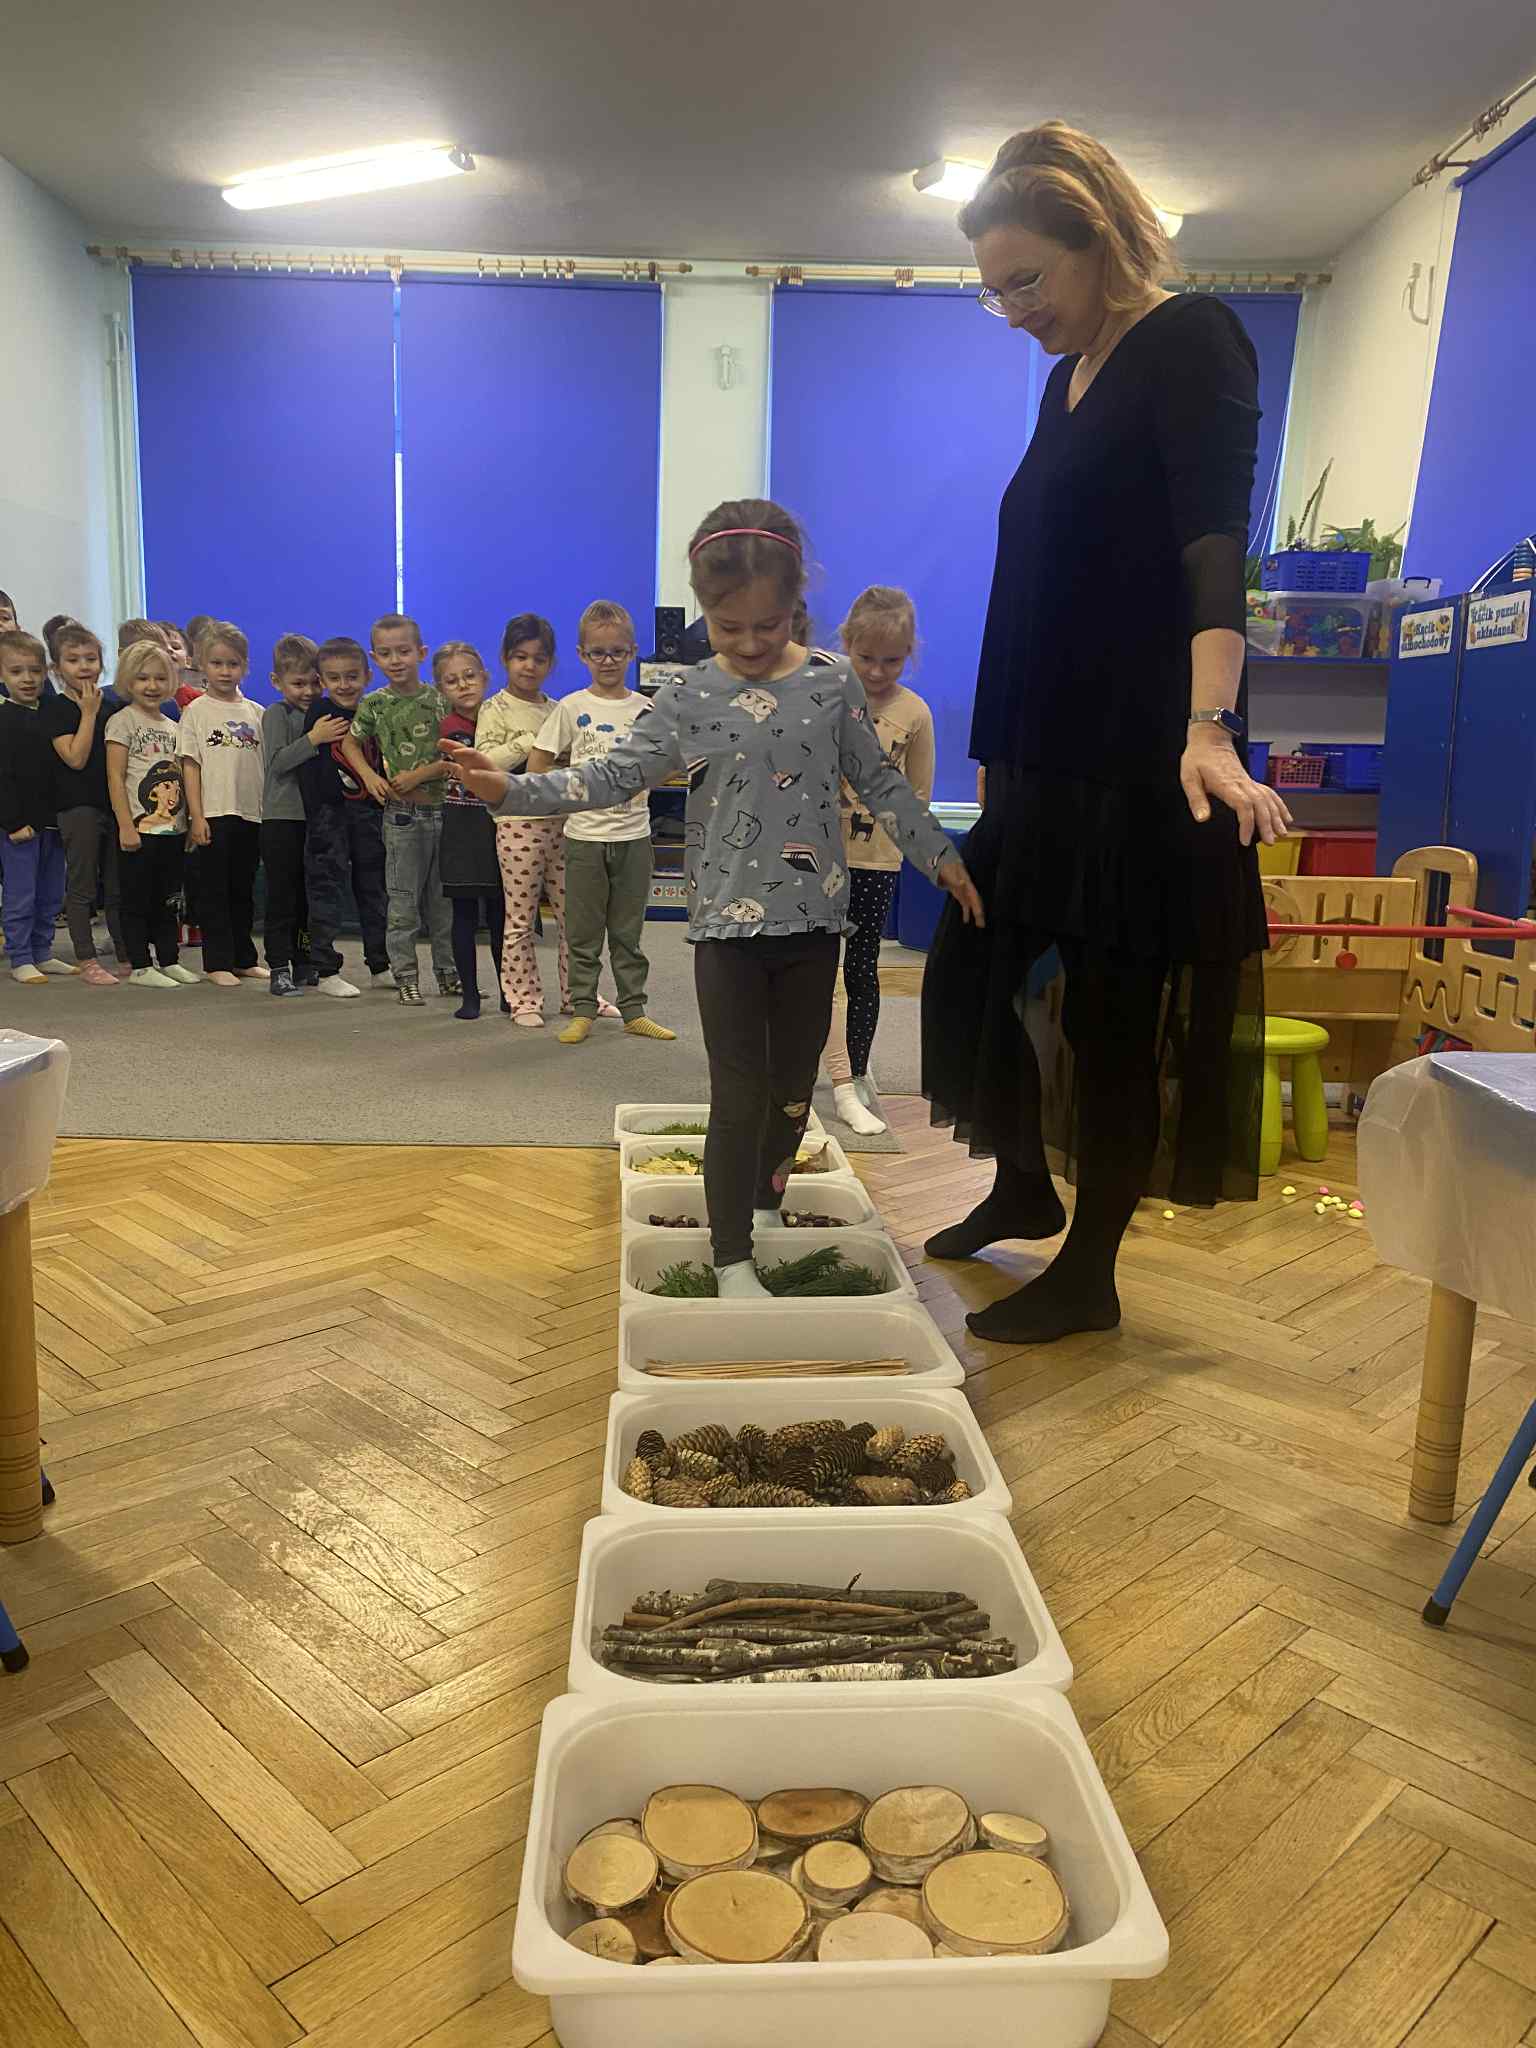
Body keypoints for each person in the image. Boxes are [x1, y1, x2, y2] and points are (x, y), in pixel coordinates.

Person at [920, 121, 1291, 1348]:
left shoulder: (1192, 340)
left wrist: (1211, 724)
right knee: (970, 967)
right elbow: (1037, 574)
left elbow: (1212, 542)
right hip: (1040, 753)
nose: (1016, 309)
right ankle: (1023, 1182)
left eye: (1028, 279)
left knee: (1113, 1018)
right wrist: (998, 751)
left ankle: (1091, 1272)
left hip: (1142, 756)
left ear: (1103, 238)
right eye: (995, 292)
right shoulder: (1062, 378)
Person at [445, 497, 981, 1298]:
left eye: (769, 625)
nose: (751, 644)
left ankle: (765, 1201)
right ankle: (730, 1255)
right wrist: (512, 790)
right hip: (725, 926)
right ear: (704, 612)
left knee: (792, 1091)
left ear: (796, 605)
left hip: (814, 923)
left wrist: (942, 858)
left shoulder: (830, 684)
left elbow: (880, 782)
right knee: (737, 1095)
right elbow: (611, 775)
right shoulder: (690, 694)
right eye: (729, 628)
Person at [527, 600, 673, 1046]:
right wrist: (569, 794)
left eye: (617, 652)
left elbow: (669, 763)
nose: (607, 661)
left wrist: (642, 781)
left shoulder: (648, 709)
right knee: (582, 933)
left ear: (632, 652)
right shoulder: (571, 707)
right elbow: (538, 765)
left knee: (628, 933)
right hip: (584, 839)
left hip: (634, 838)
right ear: (582, 655)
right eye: (597, 653)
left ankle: (634, 1010)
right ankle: (583, 1009)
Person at [820, 586, 935, 1137]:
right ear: (846, 644)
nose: (876, 671)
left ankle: (858, 1068)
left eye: (891, 661)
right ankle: (810, 1063)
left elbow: (918, 795)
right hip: (816, 859)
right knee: (811, 965)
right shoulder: (826, 697)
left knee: (861, 966)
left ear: (909, 654)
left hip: (875, 861)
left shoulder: (914, 713)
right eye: (865, 657)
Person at [340, 613, 455, 1005]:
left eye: (404, 651)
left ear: (420, 653)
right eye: (386, 654)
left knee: (443, 904)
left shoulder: (440, 700)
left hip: (443, 812)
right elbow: (351, 744)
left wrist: (422, 773)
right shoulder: (375, 704)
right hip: (402, 817)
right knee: (403, 904)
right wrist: (369, 776)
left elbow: (456, 751)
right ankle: (406, 976)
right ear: (375, 659)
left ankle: (448, 973)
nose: (396, 660)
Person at [476, 612, 572, 1027]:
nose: (529, 666)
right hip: (516, 825)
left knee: (574, 918)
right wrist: (532, 742)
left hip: (563, 823)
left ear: (550, 663)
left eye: (539, 658)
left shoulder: (560, 710)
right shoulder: (494, 708)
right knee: (520, 919)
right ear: (505, 659)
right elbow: (487, 763)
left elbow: (572, 764)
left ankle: (578, 994)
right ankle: (523, 999)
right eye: (520, 657)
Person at [261, 633, 353, 997]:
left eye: (315, 683)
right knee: (282, 896)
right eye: (299, 684)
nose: (309, 691)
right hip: (282, 819)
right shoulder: (277, 714)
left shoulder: (323, 714)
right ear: (277, 682)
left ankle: (304, 961)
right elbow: (278, 762)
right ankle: (278, 967)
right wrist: (314, 738)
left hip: (316, 820)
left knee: (307, 897)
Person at [177, 621, 266, 987]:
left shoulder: (257, 713)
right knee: (214, 891)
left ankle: (244, 958)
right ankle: (217, 962)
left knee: (243, 890)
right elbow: (190, 766)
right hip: (214, 813)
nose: (225, 671)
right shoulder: (196, 712)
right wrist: (196, 816)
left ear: (245, 666)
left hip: (251, 814)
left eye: (233, 664)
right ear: (202, 664)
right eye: (217, 663)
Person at [105, 640, 198, 988]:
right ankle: (141, 965)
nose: (152, 685)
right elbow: (115, 777)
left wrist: (187, 822)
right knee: (136, 898)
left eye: (160, 678)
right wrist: (125, 826)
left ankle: (169, 959)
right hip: (138, 830)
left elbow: (182, 779)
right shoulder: (122, 722)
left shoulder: (175, 727)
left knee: (169, 899)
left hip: (172, 830)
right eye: (143, 678)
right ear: (128, 681)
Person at [40, 621, 129, 982]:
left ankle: (127, 953)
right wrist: (88, 713)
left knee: (117, 887)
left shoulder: (113, 706)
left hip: (113, 805)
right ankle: (87, 959)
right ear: (57, 668)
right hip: (78, 807)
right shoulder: (55, 708)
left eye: (90, 658)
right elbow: (75, 758)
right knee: (83, 886)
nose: (83, 666)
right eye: (73, 660)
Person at [301, 636, 389, 992]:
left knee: (375, 890)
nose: (344, 685)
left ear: (367, 675)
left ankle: (380, 964)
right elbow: (306, 761)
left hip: (369, 812)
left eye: (352, 676)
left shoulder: (375, 710)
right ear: (321, 681)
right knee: (327, 891)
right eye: (334, 678)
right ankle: (325, 970)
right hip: (329, 815)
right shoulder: (320, 713)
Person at [434, 642, 509, 1021]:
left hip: (500, 825)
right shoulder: (449, 729)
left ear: (485, 677)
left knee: (501, 916)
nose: (463, 685)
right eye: (452, 681)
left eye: (469, 676)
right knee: (463, 914)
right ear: (441, 689)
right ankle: (470, 995)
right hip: (462, 827)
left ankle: (510, 992)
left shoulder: (504, 719)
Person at [0, 630, 76, 982]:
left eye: (34, 671)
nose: (27, 679)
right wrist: (13, 822)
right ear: (2, 675)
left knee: (51, 892)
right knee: (21, 893)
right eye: (16, 672)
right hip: (18, 826)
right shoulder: (4, 718)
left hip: (53, 821)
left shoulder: (51, 712)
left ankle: (43, 951)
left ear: (46, 672)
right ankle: (20, 957)